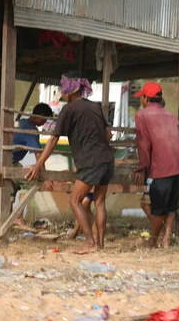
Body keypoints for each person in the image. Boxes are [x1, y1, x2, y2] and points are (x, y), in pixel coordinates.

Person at [26, 73, 114, 254]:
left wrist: (38, 164)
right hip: (107, 160)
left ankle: (90, 243)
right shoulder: (95, 107)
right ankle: (100, 244)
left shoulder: (69, 109)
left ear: (69, 92)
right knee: (99, 202)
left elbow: (53, 140)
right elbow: (108, 135)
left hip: (90, 161)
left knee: (74, 200)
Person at [133, 82, 179, 248]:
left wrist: (142, 168)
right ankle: (166, 240)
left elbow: (144, 145)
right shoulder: (170, 115)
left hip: (162, 166)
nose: (140, 100)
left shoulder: (142, 115)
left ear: (146, 98)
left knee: (158, 209)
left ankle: (152, 242)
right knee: (170, 207)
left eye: (141, 97)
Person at [0, 103, 54, 227]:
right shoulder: (31, 130)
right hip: (3, 162)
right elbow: (38, 155)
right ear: (41, 116)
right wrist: (45, 177)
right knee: (32, 181)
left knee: (11, 185)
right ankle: (17, 216)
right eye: (45, 119)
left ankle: (7, 220)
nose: (44, 123)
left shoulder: (22, 122)